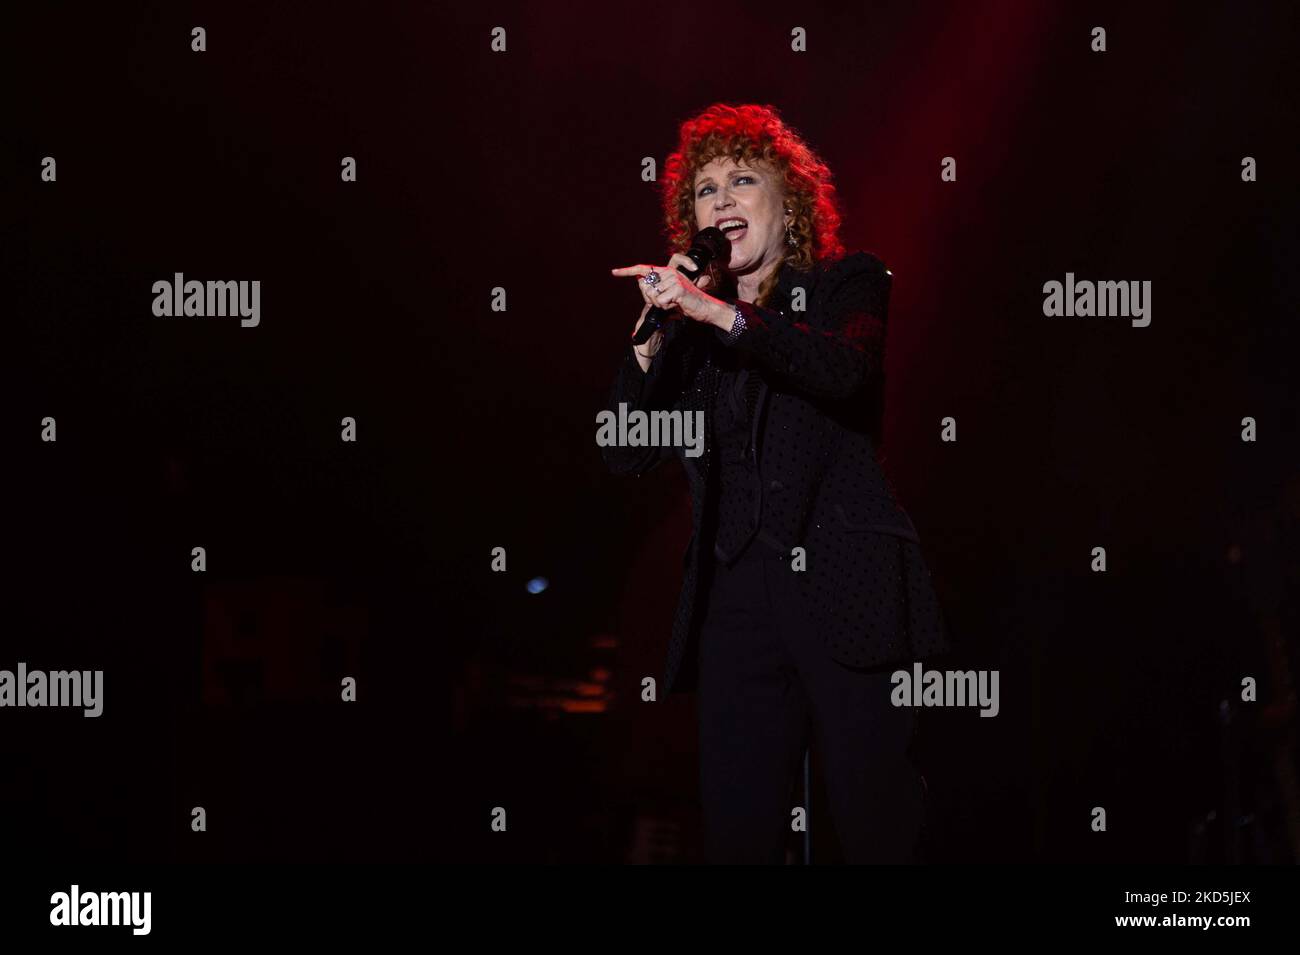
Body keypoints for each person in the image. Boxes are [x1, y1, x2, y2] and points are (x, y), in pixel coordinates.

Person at [603, 102, 951, 863]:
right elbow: (626, 450)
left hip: (845, 582)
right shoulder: (690, 330)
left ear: (787, 203)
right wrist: (647, 347)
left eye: (741, 179)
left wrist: (722, 318)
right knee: (743, 832)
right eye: (704, 189)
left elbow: (845, 369)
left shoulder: (846, 284)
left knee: (876, 820)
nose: (720, 199)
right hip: (736, 602)